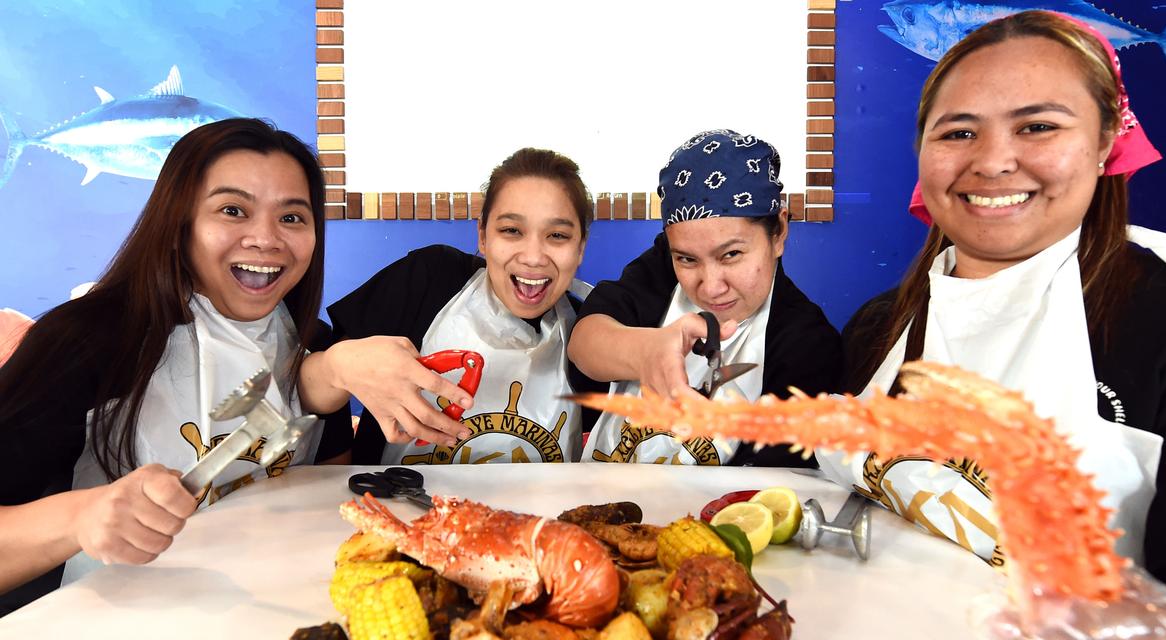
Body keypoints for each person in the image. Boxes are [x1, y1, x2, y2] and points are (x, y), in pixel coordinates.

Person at [828, 10, 1166, 640]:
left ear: (1106, 142)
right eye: (958, 132)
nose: (993, 160)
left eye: (1037, 126)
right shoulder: (874, 328)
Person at [0, 118, 352, 614]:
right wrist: (82, 516)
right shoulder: (85, 340)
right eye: (233, 210)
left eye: (292, 218)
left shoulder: (311, 342)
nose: (266, 239)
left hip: (267, 627)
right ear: (177, 222)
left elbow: (329, 500)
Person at [301, 148, 604, 465]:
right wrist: (337, 367)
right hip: (395, 507)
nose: (533, 256)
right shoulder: (428, 280)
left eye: (557, 235)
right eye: (512, 230)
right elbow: (308, 395)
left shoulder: (590, 338)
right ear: (483, 236)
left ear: (580, 247)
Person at [569, 130, 841, 466]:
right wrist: (645, 352)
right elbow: (584, 343)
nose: (710, 287)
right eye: (687, 259)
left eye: (731, 255)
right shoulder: (661, 268)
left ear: (779, 233)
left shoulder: (808, 344)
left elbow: (770, 491)